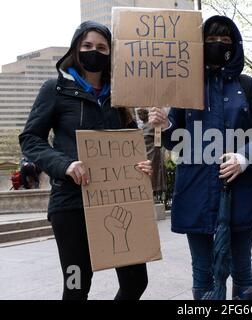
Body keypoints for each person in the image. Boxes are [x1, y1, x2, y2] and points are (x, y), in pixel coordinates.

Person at [19, 21, 152, 300]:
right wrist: (64, 165)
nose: (94, 51)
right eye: (88, 46)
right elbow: (31, 139)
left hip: (117, 202)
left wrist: (142, 164)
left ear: (110, 53)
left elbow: (131, 144)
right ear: (76, 49)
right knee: (76, 285)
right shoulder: (54, 89)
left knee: (136, 281)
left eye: (102, 47)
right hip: (70, 205)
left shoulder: (122, 95)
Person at [150, 16, 252, 300]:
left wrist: (244, 157)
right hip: (197, 190)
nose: (218, 45)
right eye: (211, 40)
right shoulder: (185, 85)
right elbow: (174, 139)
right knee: (201, 271)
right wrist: (165, 124)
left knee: (242, 268)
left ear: (235, 46)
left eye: (225, 40)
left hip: (240, 191)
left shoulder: (248, 86)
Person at [137, 108, 167, 199]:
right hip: (149, 155)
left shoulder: (150, 127)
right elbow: (159, 143)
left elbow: (158, 143)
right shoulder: (147, 127)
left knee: (154, 176)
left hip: (151, 155)